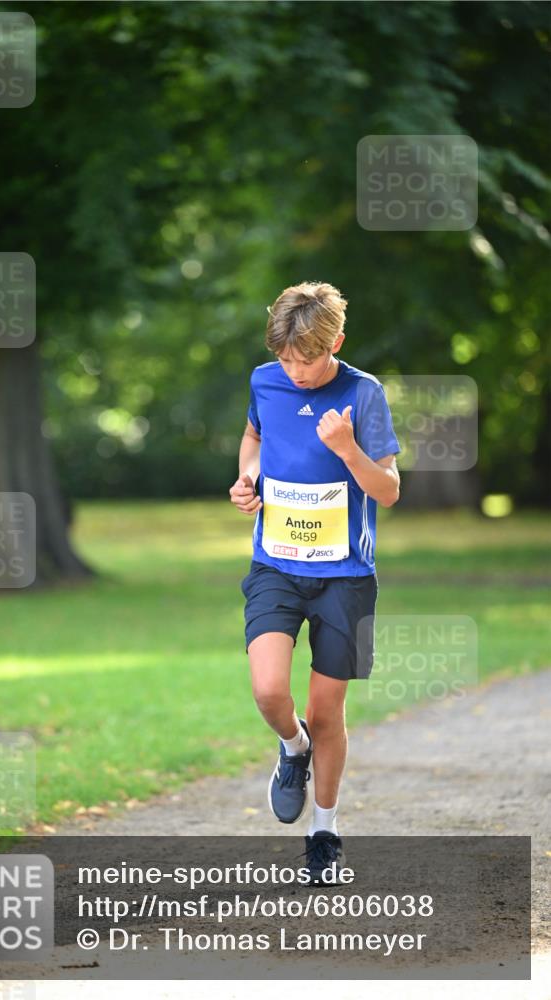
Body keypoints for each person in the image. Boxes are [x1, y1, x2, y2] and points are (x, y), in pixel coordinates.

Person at [229, 281, 401, 884]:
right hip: (276, 563)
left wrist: (348, 448)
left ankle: (323, 831)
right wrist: (246, 478)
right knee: (270, 691)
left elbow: (388, 489)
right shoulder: (263, 381)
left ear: (337, 343)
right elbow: (254, 437)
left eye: (308, 359)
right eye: (286, 359)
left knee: (328, 711)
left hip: (346, 578)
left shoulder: (364, 393)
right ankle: (292, 747)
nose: (296, 372)